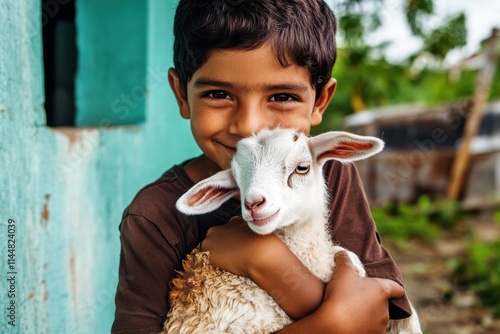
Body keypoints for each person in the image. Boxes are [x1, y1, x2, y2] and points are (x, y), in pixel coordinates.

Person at [112, 0, 413, 333]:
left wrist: (264, 259)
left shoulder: (328, 174)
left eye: (282, 97)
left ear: (320, 102)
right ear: (182, 96)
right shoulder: (154, 216)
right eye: (217, 93)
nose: (249, 126)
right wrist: (330, 325)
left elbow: (376, 310)